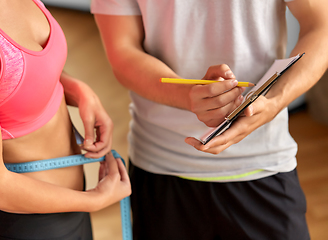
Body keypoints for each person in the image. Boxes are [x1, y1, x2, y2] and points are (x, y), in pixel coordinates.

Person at [92, 0, 328, 239]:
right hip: (162, 167)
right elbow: (122, 50)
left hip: (262, 164)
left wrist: (274, 101)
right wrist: (186, 96)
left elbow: (321, 26)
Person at [0, 0, 131, 239]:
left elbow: (15, 72)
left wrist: (78, 90)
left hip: (72, 203)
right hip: (28, 224)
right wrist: (94, 200)